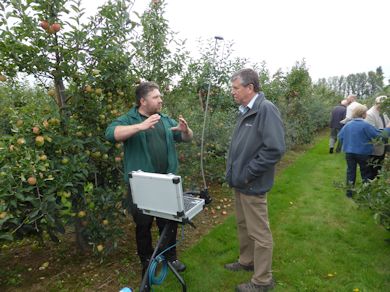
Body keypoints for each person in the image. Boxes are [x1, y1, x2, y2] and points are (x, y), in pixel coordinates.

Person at [105, 81, 193, 279]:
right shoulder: (129, 119)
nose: (161, 100)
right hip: (142, 186)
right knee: (143, 225)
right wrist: (140, 126)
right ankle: (147, 260)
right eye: (156, 97)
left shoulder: (165, 120)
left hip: (166, 183)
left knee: (169, 222)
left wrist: (185, 130)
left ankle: (170, 257)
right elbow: (111, 134)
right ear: (142, 101)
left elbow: (187, 138)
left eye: (160, 96)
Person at [225, 68, 285, 292]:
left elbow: (275, 149)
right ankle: (246, 261)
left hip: (252, 182)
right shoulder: (245, 110)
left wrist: (249, 172)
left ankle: (262, 280)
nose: (232, 92)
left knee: (259, 232)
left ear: (250, 88)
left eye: (235, 88)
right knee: (243, 225)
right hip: (241, 182)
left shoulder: (265, 109)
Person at [337, 103, 390, 198]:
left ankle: (349, 193)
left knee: (350, 172)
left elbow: (340, 137)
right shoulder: (366, 125)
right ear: (363, 114)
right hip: (363, 153)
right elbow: (380, 136)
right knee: (365, 174)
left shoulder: (348, 125)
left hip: (349, 153)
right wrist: (388, 128)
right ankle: (366, 194)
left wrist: (348, 143)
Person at [365, 95, 390, 178]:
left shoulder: (383, 112)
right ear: (377, 104)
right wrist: (387, 129)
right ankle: (370, 184)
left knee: (379, 165)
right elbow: (372, 132)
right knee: (373, 167)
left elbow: (387, 124)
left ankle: (376, 182)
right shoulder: (369, 114)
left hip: (383, 142)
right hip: (374, 145)